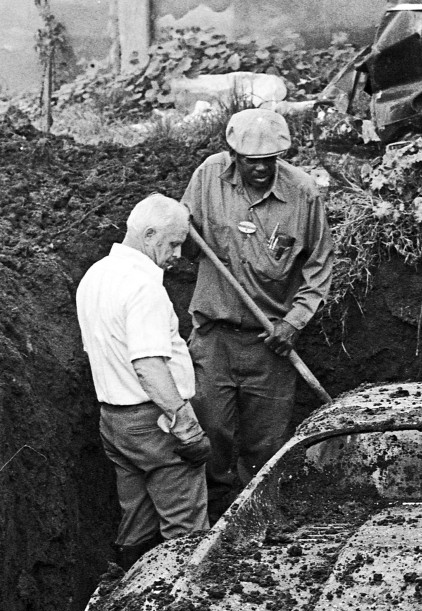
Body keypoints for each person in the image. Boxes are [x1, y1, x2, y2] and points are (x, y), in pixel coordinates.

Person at [181, 107, 334, 517]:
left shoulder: (303, 194)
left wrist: (294, 321)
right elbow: (185, 237)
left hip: (271, 346)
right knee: (210, 437)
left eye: (271, 160)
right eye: (253, 161)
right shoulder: (208, 177)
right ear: (234, 156)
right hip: (214, 339)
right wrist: (184, 236)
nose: (263, 168)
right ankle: (209, 522)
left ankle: (258, 523)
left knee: (265, 448)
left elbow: (319, 267)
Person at [76, 194, 211, 570]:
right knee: (186, 531)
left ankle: (125, 589)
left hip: (115, 421)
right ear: (149, 234)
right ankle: (182, 609)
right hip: (156, 423)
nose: (179, 253)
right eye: (173, 242)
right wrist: (185, 427)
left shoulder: (95, 275)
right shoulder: (143, 287)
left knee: (137, 518)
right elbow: (149, 366)